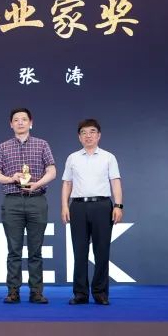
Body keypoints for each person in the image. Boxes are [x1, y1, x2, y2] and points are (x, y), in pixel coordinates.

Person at [0, 107, 57, 304]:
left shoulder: (42, 144)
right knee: (14, 250)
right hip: (12, 201)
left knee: (36, 250)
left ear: (31, 123)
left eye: (24, 119)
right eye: (16, 120)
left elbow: (52, 171)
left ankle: (36, 291)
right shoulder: (3, 147)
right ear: (11, 124)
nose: (20, 122)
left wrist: (38, 184)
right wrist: (11, 178)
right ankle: (13, 291)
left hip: (36, 199)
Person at [60, 119, 123, 305]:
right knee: (79, 251)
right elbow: (67, 183)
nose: (88, 136)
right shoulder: (72, 158)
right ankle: (80, 293)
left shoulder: (108, 157)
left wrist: (118, 205)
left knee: (102, 251)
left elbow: (115, 182)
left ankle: (100, 292)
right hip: (78, 207)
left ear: (99, 135)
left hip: (102, 206)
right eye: (84, 132)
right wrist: (64, 206)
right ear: (79, 137)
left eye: (92, 132)